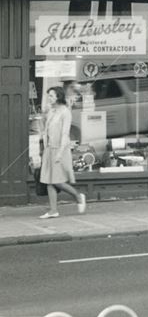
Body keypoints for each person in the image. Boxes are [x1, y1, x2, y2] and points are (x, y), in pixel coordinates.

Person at [38, 86, 86, 219]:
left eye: (52, 96)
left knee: (58, 181)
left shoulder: (65, 112)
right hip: (49, 149)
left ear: (59, 96)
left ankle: (78, 196)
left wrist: (59, 153)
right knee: (49, 180)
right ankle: (53, 210)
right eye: (49, 96)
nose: (49, 98)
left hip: (60, 149)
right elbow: (45, 129)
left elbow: (65, 134)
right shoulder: (51, 111)